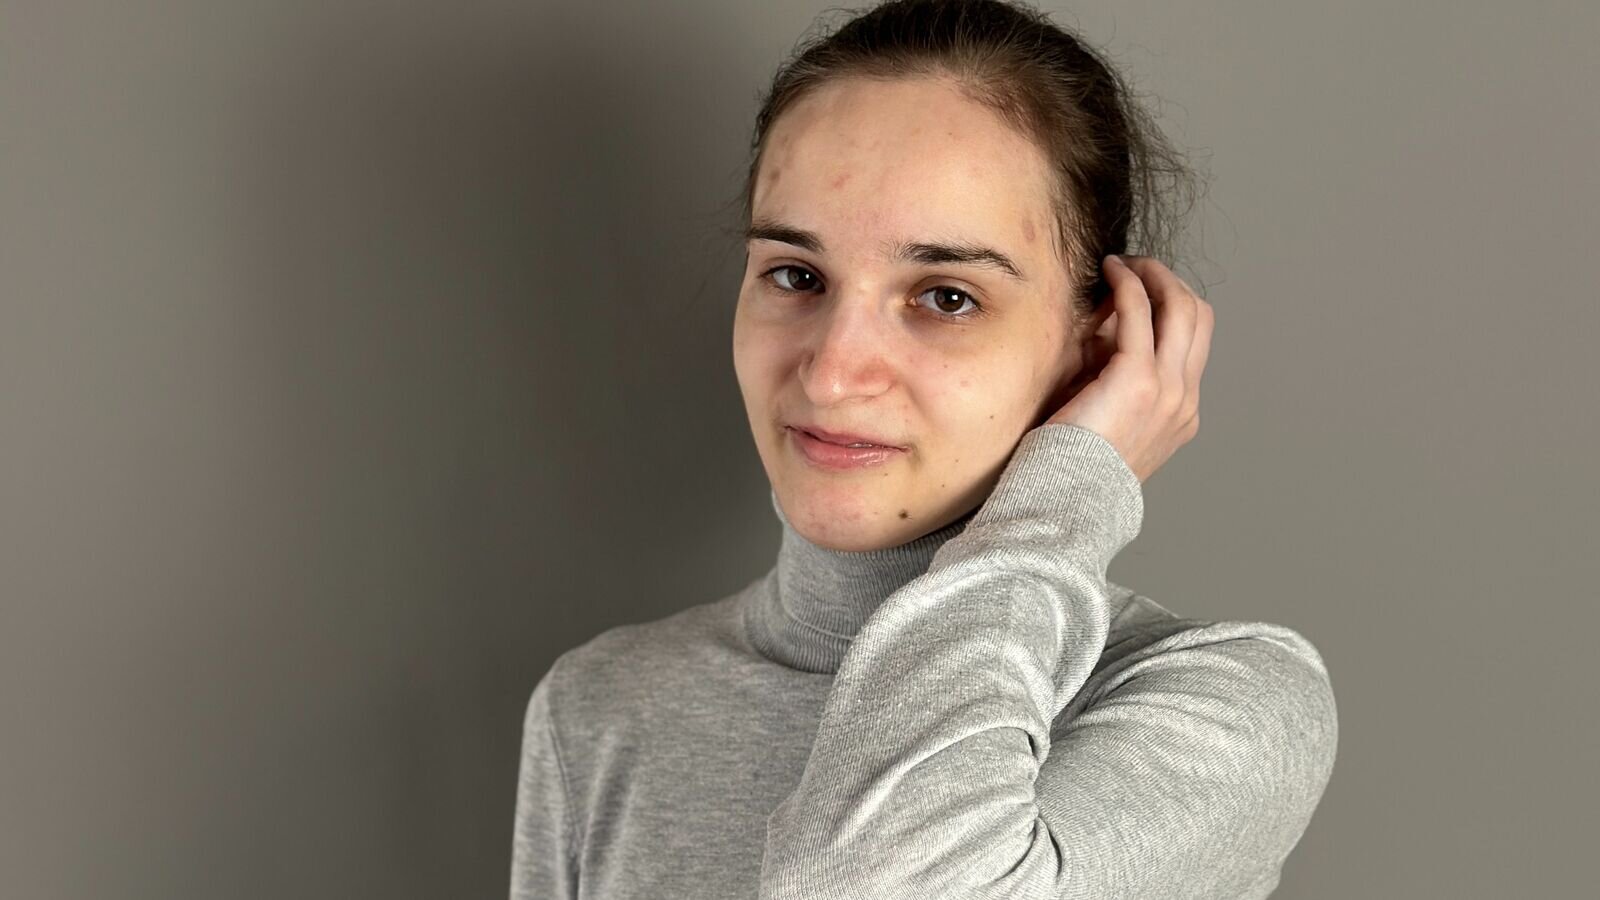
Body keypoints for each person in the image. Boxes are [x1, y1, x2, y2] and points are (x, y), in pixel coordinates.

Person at [511, 1, 1338, 897]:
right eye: (796, 275)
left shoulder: (1224, 705)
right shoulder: (601, 707)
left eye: (947, 297)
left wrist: (1079, 487)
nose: (833, 374)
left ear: (1099, 346)